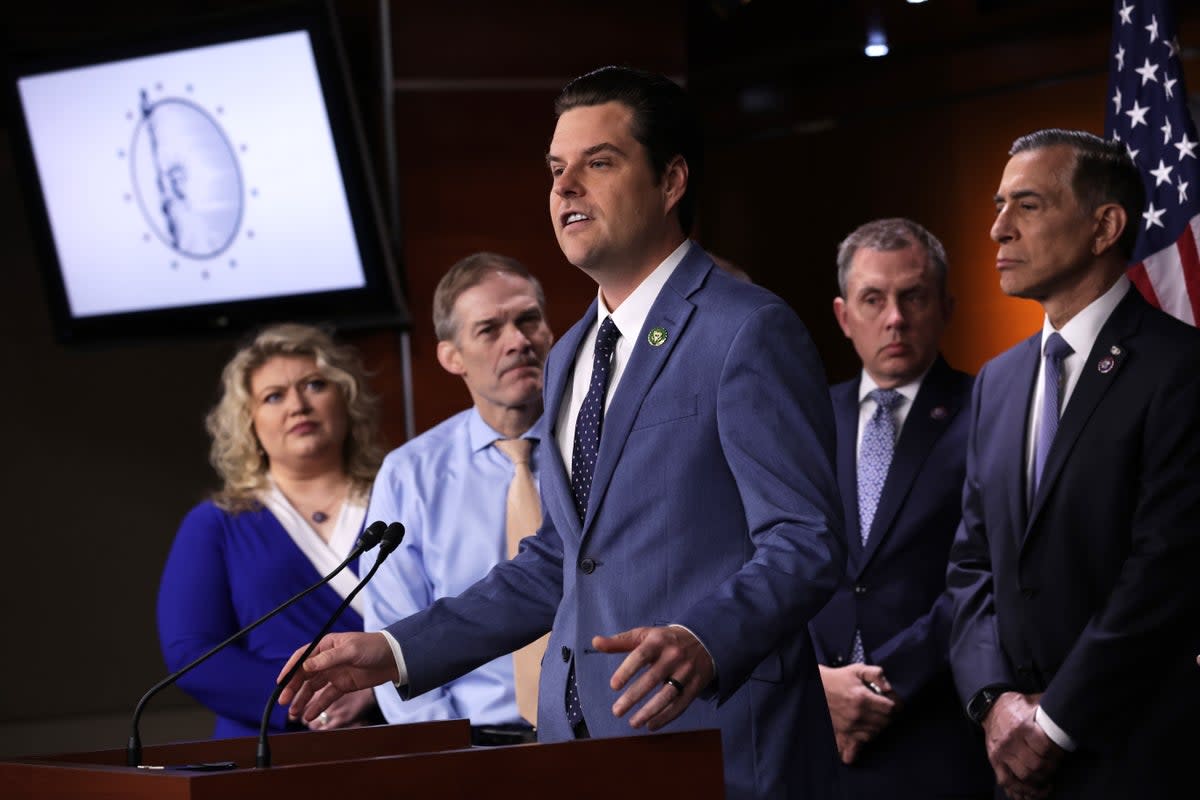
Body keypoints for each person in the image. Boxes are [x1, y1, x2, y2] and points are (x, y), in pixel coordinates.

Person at [278, 66, 845, 799]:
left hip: (719, 742)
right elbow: (560, 561)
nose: (565, 187)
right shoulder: (575, 348)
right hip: (582, 750)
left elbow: (806, 540)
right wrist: (395, 650)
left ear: (671, 181)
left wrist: (707, 638)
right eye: (555, 169)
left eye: (598, 163)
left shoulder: (746, 330)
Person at [947, 129, 1200, 799]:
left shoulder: (1181, 368)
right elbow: (971, 566)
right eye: (1000, 205)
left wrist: (1051, 726)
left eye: (1026, 205)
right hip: (1010, 760)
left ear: (1104, 226)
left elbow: (1164, 572)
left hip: (1135, 757)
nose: (998, 228)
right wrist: (994, 702)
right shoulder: (996, 383)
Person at [810, 218, 994, 798]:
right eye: (873, 299)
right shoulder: (804, 418)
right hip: (815, 736)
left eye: (913, 296)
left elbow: (989, 572)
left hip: (935, 734)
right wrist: (818, 684)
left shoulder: (990, 411)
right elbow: (770, 557)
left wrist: (883, 686)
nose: (895, 317)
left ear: (946, 307)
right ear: (844, 316)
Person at [157, 323, 385, 738]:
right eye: (274, 396)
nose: (297, 405)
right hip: (268, 744)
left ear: (346, 400)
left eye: (314, 385)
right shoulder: (216, 523)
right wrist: (307, 699)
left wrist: (379, 688)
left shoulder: (403, 496)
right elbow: (192, 653)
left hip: (401, 729)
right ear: (249, 423)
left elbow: (449, 613)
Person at [363, 252, 553, 744]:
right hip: (473, 746)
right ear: (451, 356)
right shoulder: (410, 474)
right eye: (489, 330)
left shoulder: (601, 442)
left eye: (528, 320)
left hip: (611, 731)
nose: (518, 341)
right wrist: (451, 755)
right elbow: (394, 629)